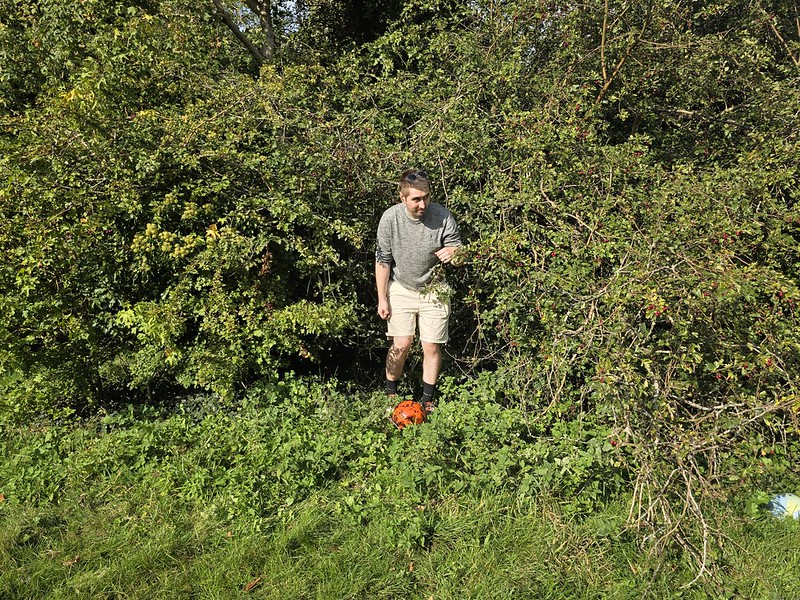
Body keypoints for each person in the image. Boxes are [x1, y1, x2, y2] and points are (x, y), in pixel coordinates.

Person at [375, 169, 462, 414]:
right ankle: (390, 397)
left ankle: (427, 402)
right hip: (401, 286)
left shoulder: (442, 216)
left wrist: (455, 253)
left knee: (431, 345)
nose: (422, 204)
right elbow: (382, 261)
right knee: (401, 344)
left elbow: (459, 252)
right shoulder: (390, 219)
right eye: (416, 199)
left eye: (426, 197)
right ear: (402, 198)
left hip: (434, 288)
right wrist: (382, 298)